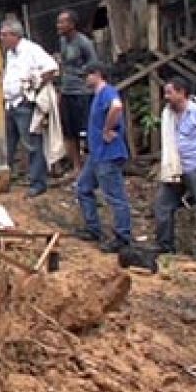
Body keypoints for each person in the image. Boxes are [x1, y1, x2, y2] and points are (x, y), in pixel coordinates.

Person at [154, 77, 196, 259]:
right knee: (163, 205)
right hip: (175, 169)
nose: (166, 97)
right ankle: (165, 246)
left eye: (170, 92)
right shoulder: (169, 115)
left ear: (182, 92)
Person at [76, 64, 133, 252]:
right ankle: (93, 228)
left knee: (115, 196)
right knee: (83, 187)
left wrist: (108, 129)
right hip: (97, 155)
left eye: (87, 75)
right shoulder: (98, 96)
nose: (85, 79)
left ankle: (123, 236)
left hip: (108, 154)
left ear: (97, 74)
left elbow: (116, 107)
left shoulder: (107, 91)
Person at [0, 17, 58, 197]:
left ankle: (38, 182)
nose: (1, 38)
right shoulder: (10, 53)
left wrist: (33, 88)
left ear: (15, 35)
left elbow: (52, 67)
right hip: (11, 102)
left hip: (24, 103)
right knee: (8, 144)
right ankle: (5, 180)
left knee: (32, 144)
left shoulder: (31, 49)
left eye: (4, 35)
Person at [55, 11, 98, 173]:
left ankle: (91, 166)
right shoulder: (62, 42)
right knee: (69, 131)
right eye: (58, 22)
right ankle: (76, 167)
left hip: (82, 92)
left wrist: (79, 73)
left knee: (85, 130)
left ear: (72, 24)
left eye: (62, 22)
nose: (58, 26)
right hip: (66, 91)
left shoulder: (84, 43)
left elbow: (93, 64)